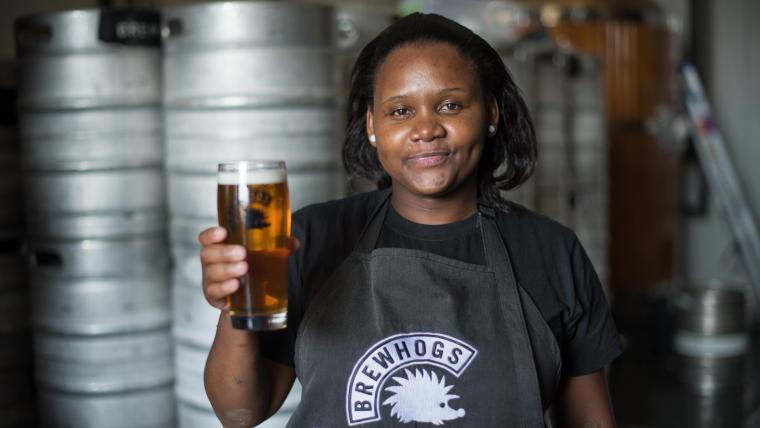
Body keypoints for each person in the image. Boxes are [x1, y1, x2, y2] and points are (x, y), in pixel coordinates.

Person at [199, 13, 621, 428]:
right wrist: (237, 301)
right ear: (372, 126)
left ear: (490, 114)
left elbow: (589, 419)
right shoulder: (311, 236)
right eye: (400, 111)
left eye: (450, 105)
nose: (426, 129)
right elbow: (240, 413)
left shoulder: (552, 251)